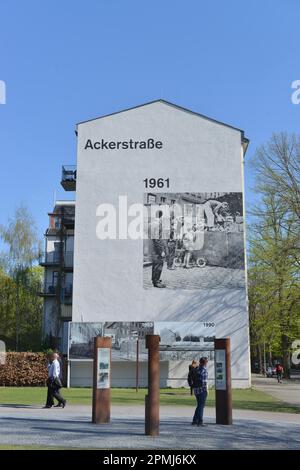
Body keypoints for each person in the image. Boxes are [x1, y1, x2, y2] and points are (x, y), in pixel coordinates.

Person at [150, 211, 168, 287]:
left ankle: (154, 279)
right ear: (161, 217)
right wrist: (161, 251)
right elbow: (157, 239)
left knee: (155, 264)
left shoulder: (153, 223)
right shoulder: (157, 225)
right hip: (157, 249)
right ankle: (156, 282)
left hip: (154, 247)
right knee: (159, 264)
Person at [192, 357, 208, 427]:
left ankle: (194, 421)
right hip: (202, 390)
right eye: (207, 362)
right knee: (201, 406)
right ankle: (200, 421)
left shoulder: (197, 369)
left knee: (199, 405)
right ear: (205, 363)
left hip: (196, 390)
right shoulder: (204, 370)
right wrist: (206, 390)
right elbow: (204, 382)